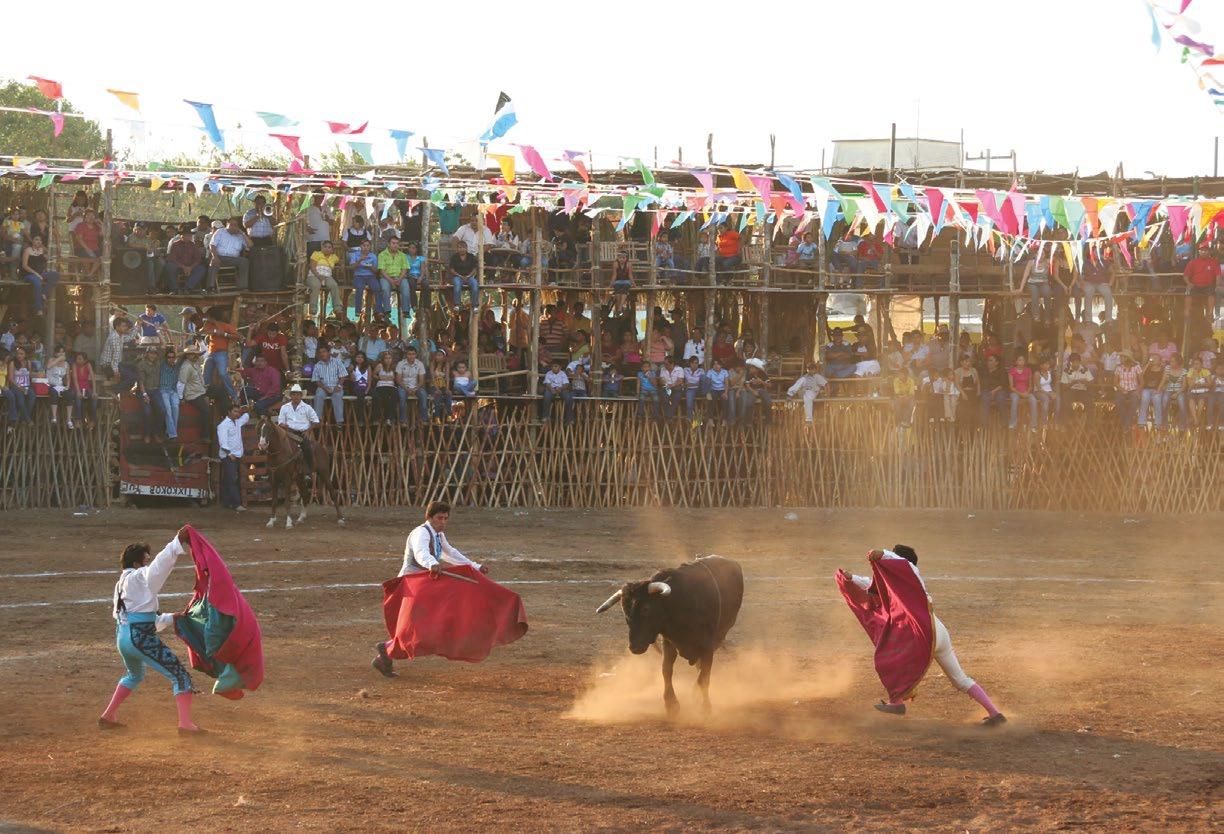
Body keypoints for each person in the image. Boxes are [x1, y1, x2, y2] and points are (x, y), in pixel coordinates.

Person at [837, 546, 1006, 726]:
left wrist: (884, 553)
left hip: (924, 633)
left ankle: (897, 702)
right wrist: (852, 578)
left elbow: (901, 562)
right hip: (937, 630)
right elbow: (872, 583)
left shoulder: (909, 569)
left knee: (888, 658)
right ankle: (995, 714)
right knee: (960, 680)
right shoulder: (901, 584)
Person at [98, 526, 204, 734]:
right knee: (180, 675)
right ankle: (185, 725)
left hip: (123, 637)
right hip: (139, 638)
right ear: (136, 564)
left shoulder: (120, 584)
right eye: (146, 560)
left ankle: (108, 715)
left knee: (134, 675)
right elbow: (157, 569)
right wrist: (176, 542)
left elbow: (139, 615)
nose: (148, 564)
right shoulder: (138, 577)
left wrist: (172, 617)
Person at [371, 501, 491, 677]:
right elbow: (421, 553)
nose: (443, 522)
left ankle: (385, 654)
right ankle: (386, 651)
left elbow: (451, 553)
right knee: (419, 627)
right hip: (409, 586)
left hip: (421, 585)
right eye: (439, 518)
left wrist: (475, 566)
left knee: (421, 625)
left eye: (445, 518)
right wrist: (432, 563)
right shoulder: (421, 532)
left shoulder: (438, 535)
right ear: (429, 517)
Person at [276, 384, 321, 471]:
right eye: (294, 394)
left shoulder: (307, 408)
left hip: (302, 433)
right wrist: (284, 425)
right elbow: (280, 422)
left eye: (298, 394)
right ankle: (277, 469)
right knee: (277, 446)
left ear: (301, 395)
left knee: (307, 448)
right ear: (290, 396)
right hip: (288, 432)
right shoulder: (284, 407)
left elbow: (315, 421)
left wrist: (308, 431)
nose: (296, 396)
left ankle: (309, 470)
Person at [217, 403, 250, 511]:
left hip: (237, 455)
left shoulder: (238, 422)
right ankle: (236, 504)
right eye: (235, 411)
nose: (237, 413)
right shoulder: (223, 425)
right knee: (232, 479)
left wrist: (246, 409)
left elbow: (246, 417)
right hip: (229, 456)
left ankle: (226, 502)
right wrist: (229, 454)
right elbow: (223, 442)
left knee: (228, 479)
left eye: (238, 412)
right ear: (229, 412)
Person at [207, 217, 251, 291]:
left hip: (233, 259)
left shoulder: (240, 236)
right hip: (219, 256)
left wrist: (243, 233)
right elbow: (212, 245)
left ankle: (242, 287)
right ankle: (210, 288)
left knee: (244, 261)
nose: (233, 227)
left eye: (235, 225)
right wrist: (215, 257)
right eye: (231, 225)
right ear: (226, 225)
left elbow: (250, 245)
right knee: (213, 261)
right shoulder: (220, 231)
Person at [163, 223, 206, 295]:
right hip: (178, 266)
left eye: (189, 235)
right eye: (185, 235)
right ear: (181, 236)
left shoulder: (194, 246)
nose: (187, 237)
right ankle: (175, 289)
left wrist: (190, 267)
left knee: (201, 269)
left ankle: (187, 288)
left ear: (191, 236)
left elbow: (198, 259)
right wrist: (183, 267)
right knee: (170, 266)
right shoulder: (175, 245)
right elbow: (172, 259)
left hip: (190, 266)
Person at [20, 234, 58, 314]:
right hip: (29, 274)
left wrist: (45, 255)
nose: (38, 241)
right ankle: (39, 308)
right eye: (36, 239)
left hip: (40, 274)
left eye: (40, 240)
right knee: (38, 284)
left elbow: (49, 255)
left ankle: (44, 293)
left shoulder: (41, 250)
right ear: (32, 241)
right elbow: (24, 266)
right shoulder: (28, 250)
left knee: (55, 274)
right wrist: (36, 274)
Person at [311, 345, 347, 426]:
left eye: (324, 352)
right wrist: (325, 388)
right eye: (320, 352)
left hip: (336, 385)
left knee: (337, 396)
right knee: (319, 395)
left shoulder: (337, 362)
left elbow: (343, 376)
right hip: (323, 387)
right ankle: (317, 419)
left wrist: (339, 386)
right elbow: (317, 380)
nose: (322, 354)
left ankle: (339, 422)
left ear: (329, 352)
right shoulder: (317, 365)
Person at [378, 236, 412, 321]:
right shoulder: (382, 255)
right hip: (386, 278)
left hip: (400, 277)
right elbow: (382, 271)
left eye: (397, 243)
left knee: (406, 288)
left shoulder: (403, 255)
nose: (395, 245)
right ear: (388, 244)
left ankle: (406, 311)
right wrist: (391, 281)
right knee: (385, 289)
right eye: (393, 243)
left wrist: (399, 279)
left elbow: (405, 269)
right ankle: (387, 311)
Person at [307, 240, 343, 319]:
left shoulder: (334, 257)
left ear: (332, 250)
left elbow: (340, 261)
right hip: (314, 275)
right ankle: (313, 308)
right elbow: (312, 267)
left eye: (329, 247)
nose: (327, 249)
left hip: (327, 277)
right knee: (316, 285)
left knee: (334, 285)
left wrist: (341, 265)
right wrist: (318, 276)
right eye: (325, 247)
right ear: (322, 248)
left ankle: (337, 308)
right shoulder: (316, 254)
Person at [349, 240, 381, 320]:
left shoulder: (373, 256)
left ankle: (378, 310)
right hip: (358, 276)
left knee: (377, 287)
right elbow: (351, 267)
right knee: (359, 288)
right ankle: (357, 310)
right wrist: (360, 260)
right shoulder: (355, 255)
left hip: (370, 276)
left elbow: (376, 271)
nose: (366, 247)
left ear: (370, 247)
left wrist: (370, 267)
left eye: (367, 246)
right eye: (364, 245)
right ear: (360, 246)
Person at [1060, 353, 1094, 423]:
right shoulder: (1066, 370)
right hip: (1071, 390)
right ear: (1070, 362)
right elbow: (1063, 386)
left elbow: (1092, 382)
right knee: (1065, 401)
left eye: (1077, 362)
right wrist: (1072, 383)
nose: (1075, 364)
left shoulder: (1085, 369)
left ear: (1079, 362)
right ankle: (1069, 422)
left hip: (1083, 391)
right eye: (1073, 362)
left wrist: (1085, 382)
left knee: (1090, 402)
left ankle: (1089, 425)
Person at [541, 360, 575, 424]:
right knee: (546, 396)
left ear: (560, 367)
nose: (554, 368)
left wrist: (561, 388)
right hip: (551, 389)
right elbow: (547, 383)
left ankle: (569, 418)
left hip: (561, 389)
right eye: (553, 366)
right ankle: (545, 416)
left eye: (556, 366)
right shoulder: (548, 373)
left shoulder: (563, 373)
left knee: (568, 398)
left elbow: (566, 384)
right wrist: (551, 389)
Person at [449, 242, 479, 309]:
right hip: (458, 277)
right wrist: (459, 276)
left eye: (463, 247)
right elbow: (452, 270)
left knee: (475, 284)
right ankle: (457, 304)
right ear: (457, 249)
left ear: (466, 248)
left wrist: (469, 276)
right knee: (457, 285)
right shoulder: (454, 257)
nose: (461, 249)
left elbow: (474, 269)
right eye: (460, 247)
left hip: (469, 277)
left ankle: (475, 305)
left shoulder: (471, 256)